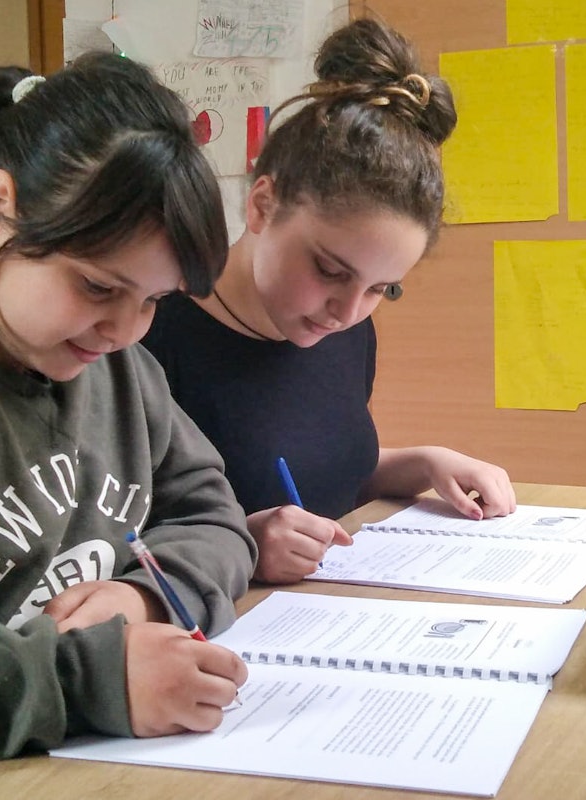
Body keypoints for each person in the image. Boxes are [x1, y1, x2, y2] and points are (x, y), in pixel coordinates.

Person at [0, 53, 258, 772]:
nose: (127, 331)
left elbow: (215, 519)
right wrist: (82, 680)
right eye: (99, 288)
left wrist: (144, 600)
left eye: (153, 302)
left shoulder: (109, 363)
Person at [142, 18, 517, 585]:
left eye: (380, 289)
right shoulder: (146, 337)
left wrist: (422, 462)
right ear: (263, 205)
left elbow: (321, 479)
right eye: (330, 270)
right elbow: (94, 546)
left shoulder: (339, 328)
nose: (347, 311)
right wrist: (239, 547)